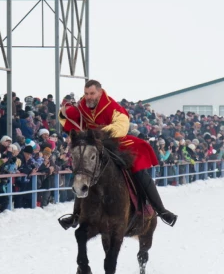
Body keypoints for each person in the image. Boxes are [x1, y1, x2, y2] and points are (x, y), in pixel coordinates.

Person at [58, 79, 177, 227]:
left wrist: (99, 134)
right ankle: (76, 215)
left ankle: (161, 210)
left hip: (114, 141)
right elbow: (72, 117)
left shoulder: (112, 106)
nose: (88, 97)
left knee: (138, 170)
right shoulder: (83, 105)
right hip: (94, 145)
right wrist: (64, 112)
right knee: (83, 170)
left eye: (92, 93)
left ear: (100, 92)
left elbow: (122, 125)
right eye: (86, 93)